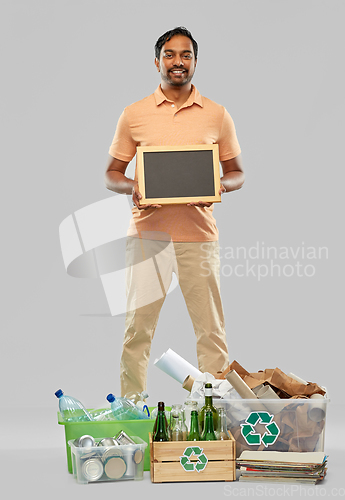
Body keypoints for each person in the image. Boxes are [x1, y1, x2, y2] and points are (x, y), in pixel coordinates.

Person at [105, 27, 245, 396]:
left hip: (198, 238)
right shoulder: (134, 115)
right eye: (169, 54)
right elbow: (112, 175)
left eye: (185, 55)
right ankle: (132, 409)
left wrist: (219, 186)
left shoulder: (217, 114)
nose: (177, 61)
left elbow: (237, 173)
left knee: (211, 331)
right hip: (147, 238)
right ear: (157, 63)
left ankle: (215, 414)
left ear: (195, 62)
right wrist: (133, 188)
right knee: (138, 330)